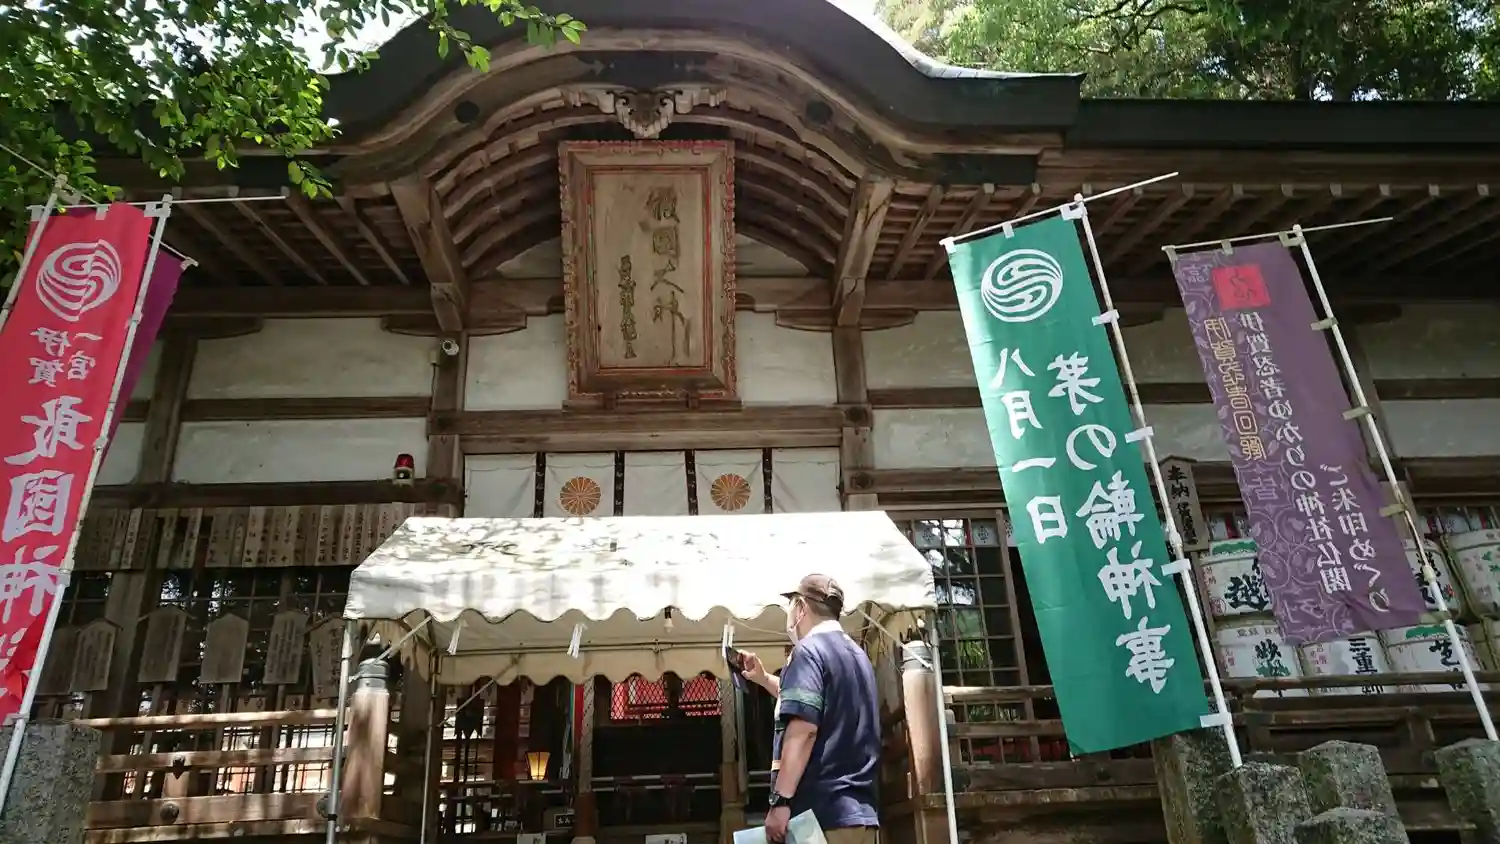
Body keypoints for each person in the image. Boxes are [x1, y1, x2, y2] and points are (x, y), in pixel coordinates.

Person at [740, 574, 880, 844]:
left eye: (791, 605)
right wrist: (764, 678)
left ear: (801, 607)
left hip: (822, 819)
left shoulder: (807, 652)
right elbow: (822, 702)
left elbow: (804, 729)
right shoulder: (857, 655)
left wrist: (780, 801)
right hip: (862, 817)